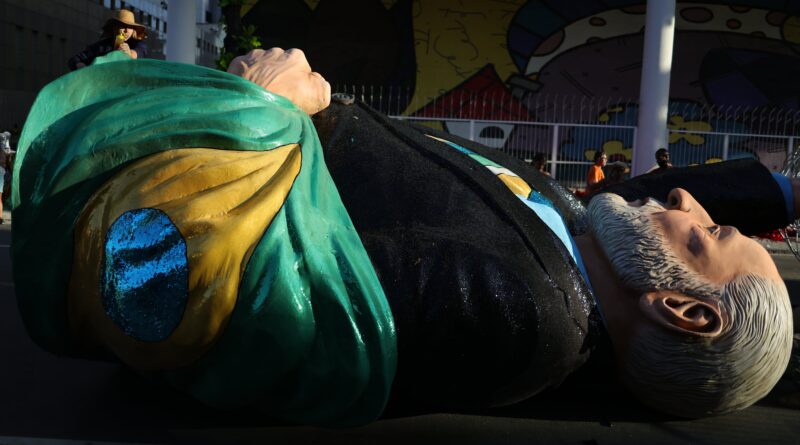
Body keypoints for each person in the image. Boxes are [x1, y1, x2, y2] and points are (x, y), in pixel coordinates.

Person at [10, 48, 795, 426]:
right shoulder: (577, 231)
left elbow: (282, 296)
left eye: (709, 233)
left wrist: (262, 108)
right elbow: (651, 192)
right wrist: (779, 189)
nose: (686, 199)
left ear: (682, 309)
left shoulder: (533, 314)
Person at [67, 9, 148, 71]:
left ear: (134, 30)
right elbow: (74, 60)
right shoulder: (102, 46)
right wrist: (83, 68)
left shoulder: (138, 44)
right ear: (114, 27)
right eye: (123, 26)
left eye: (130, 27)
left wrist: (129, 53)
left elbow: (140, 51)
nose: (126, 31)